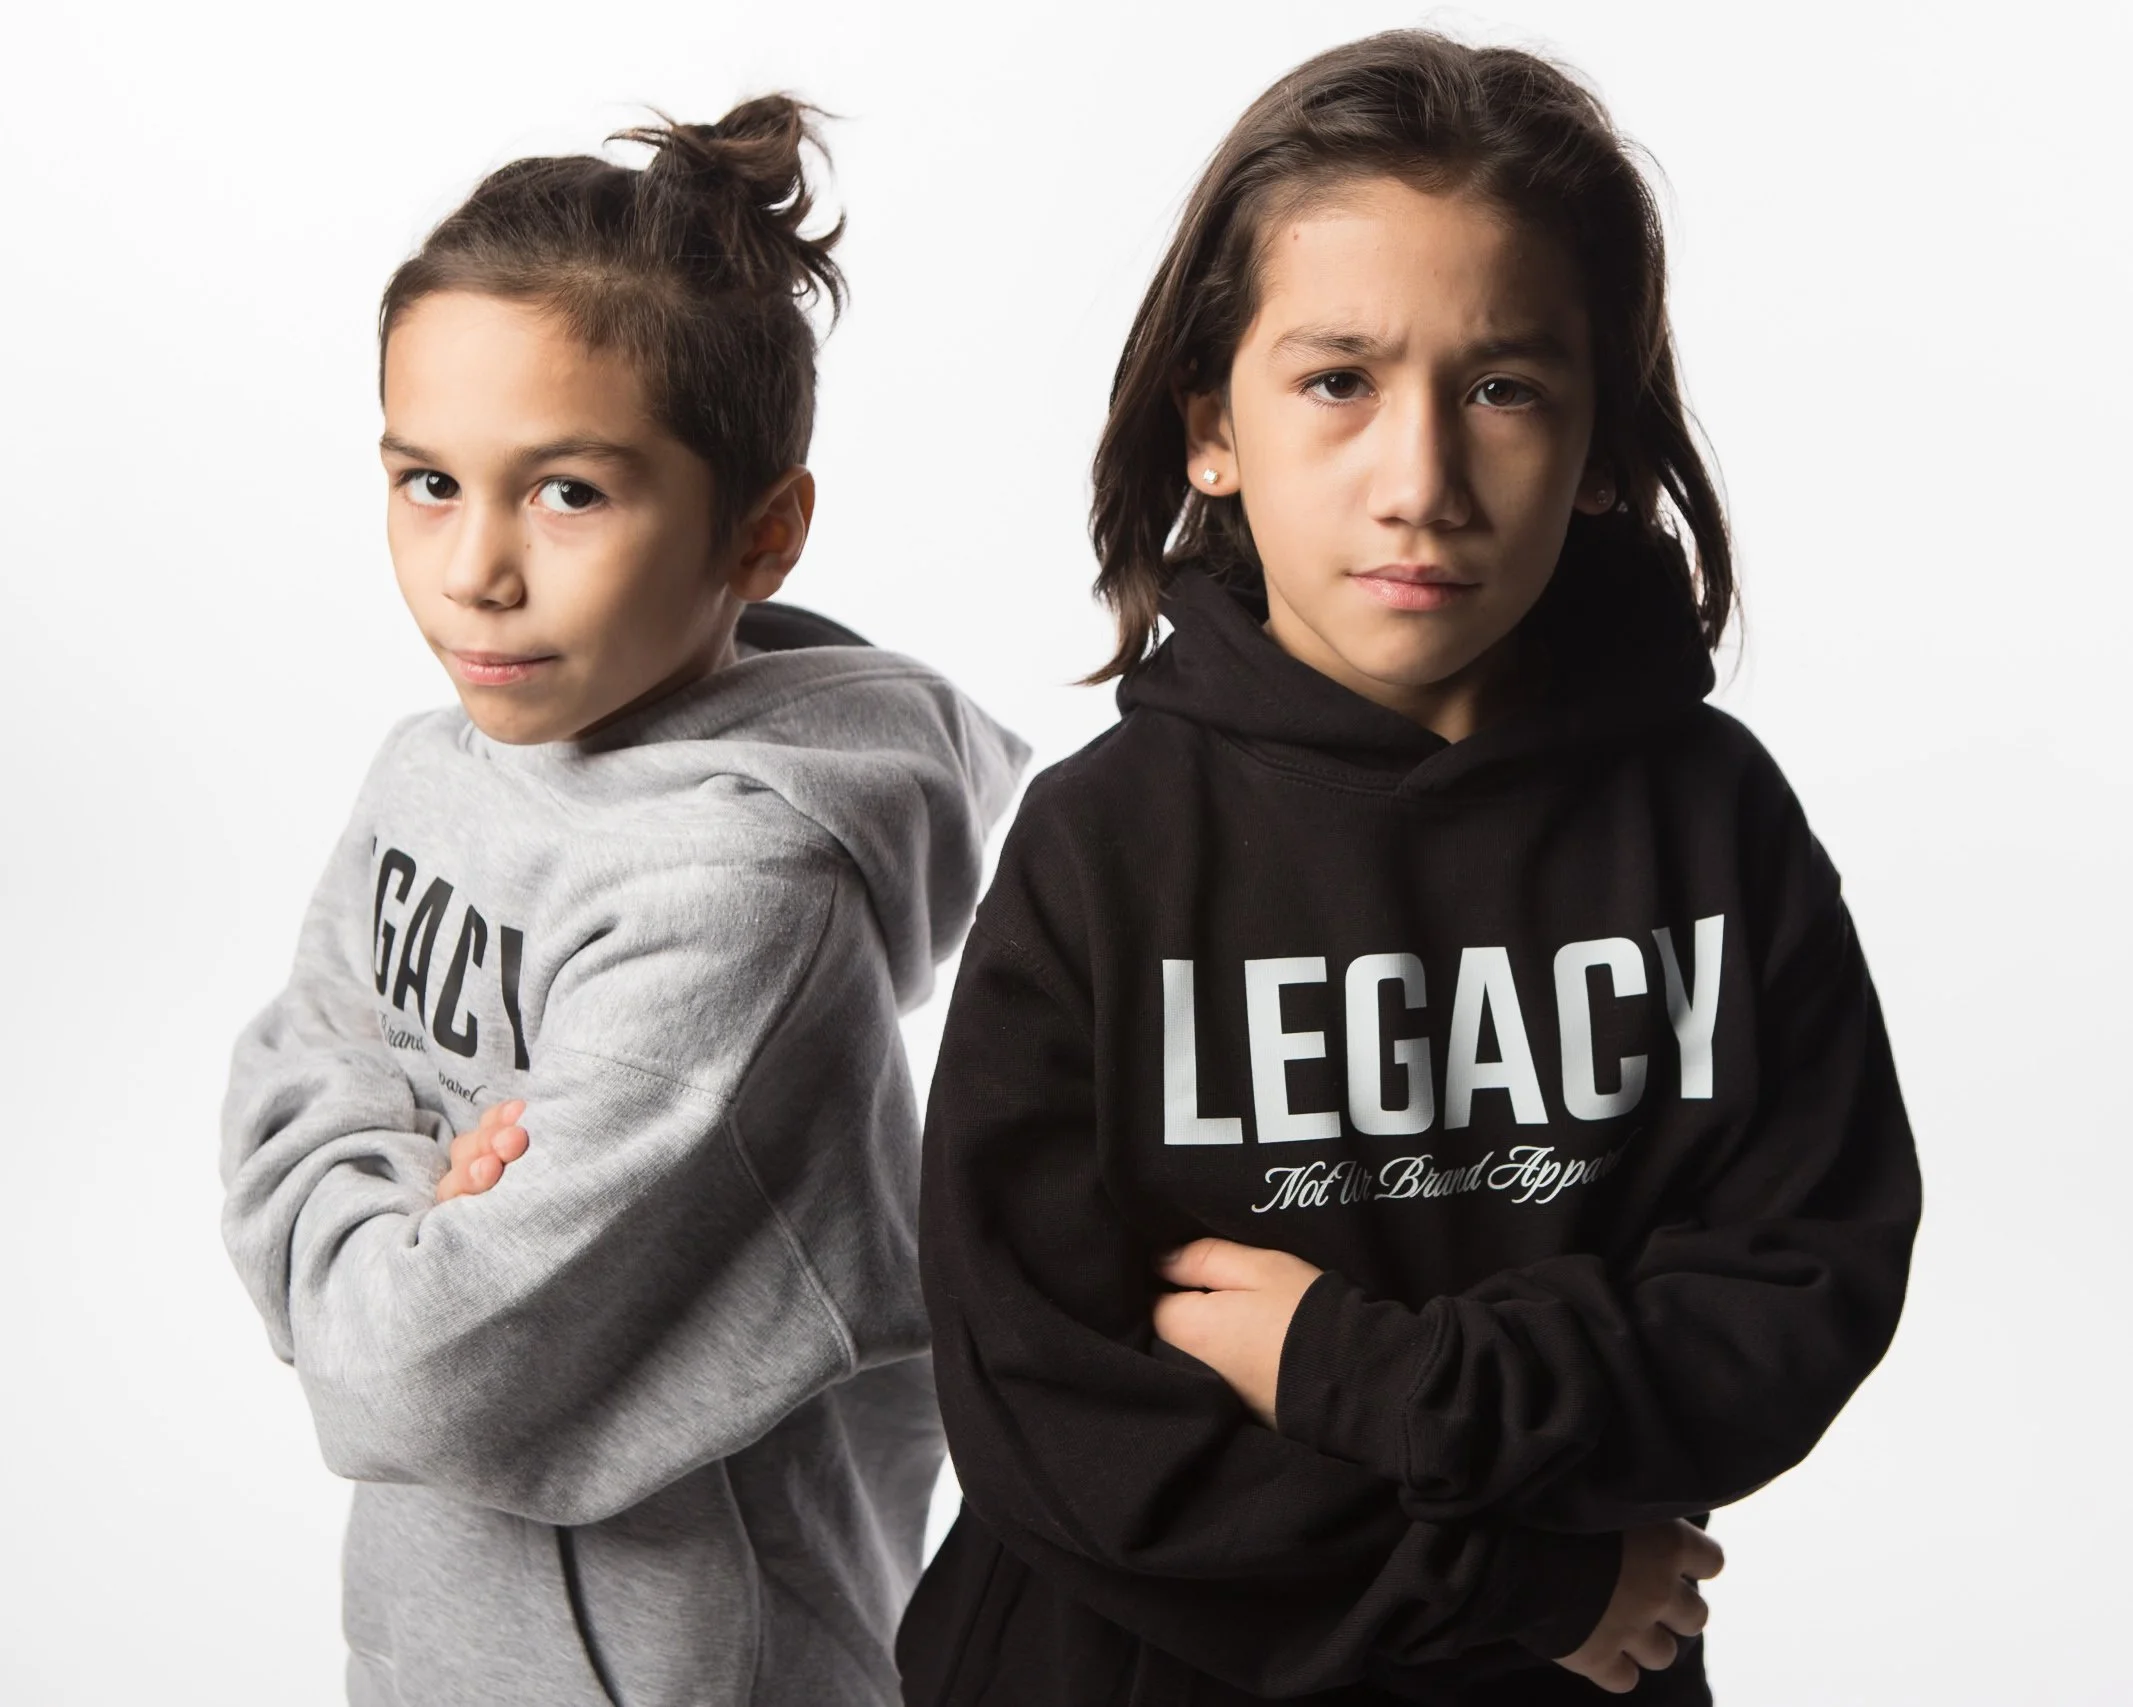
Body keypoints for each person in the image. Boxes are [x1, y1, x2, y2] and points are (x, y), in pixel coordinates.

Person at [898, 31, 1918, 1707]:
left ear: (1600, 450)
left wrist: (1372, 1373)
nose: (1422, 479)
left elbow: (1800, 1294)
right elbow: (1041, 1411)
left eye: (1504, 386)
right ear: (1209, 428)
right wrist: (1515, 1577)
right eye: (1338, 380)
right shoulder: (1105, 850)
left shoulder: (1712, 826)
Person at [219, 96, 1026, 1707]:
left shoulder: (746, 897)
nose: (474, 571)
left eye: (570, 492)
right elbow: (273, 1076)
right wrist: (408, 1193)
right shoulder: (432, 764)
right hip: (434, 1640)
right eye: (428, 482)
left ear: (763, 532)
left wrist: (368, 1205)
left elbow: (422, 1372)